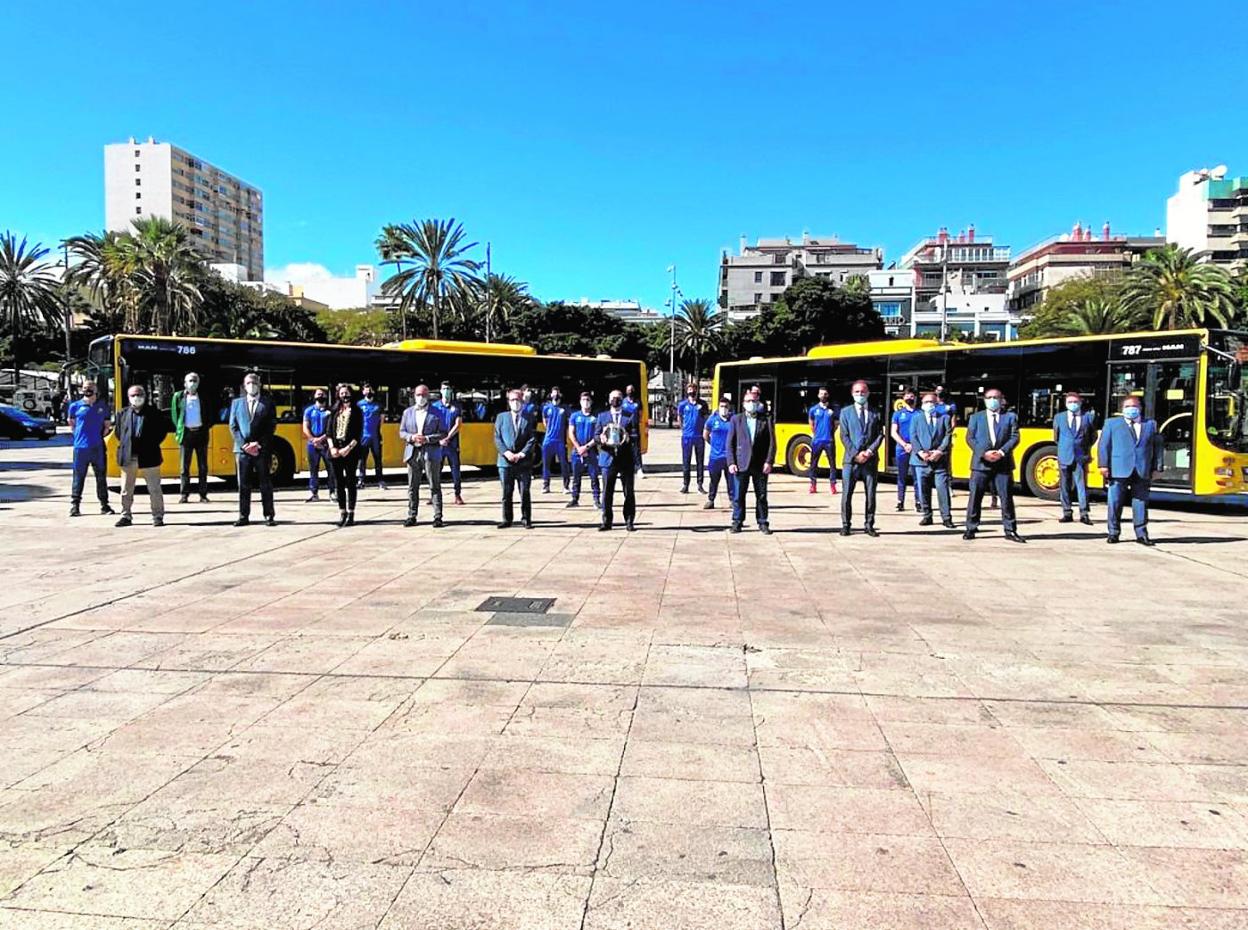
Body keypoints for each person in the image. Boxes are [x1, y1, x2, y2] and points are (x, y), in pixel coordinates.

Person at [1098, 395, 1164, 546]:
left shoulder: (1150, 425)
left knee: (1140, 502)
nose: (1131, 409)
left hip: (1142, 469)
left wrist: (1157, 467)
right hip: (1118, 469)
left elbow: (1158, 447)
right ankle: (1113, 532)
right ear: (1122, 409)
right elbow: (1104, 446)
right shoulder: (1111, 424)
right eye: (1127, 407)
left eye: (1134, 406)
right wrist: (1103, 465)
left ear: (1140, 408)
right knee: (1115, 502)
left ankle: (1141, 534)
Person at [963, 388, 1023, 543]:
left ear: (1001, 399)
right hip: (980, 464)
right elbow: (970, 438)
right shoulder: (976, 417)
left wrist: (1002, 452)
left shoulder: (1010, 417)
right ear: (984, 400)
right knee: (975, 497)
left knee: (1006, 498)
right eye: (989, 397)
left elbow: (1015, 437)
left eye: (995, 397)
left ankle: (1010, 530)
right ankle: (971, 527)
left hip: (1003, 464)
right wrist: (984, 453)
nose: (992, 400)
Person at [112, 384, 169, 527]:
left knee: (154, 488)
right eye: (133, 395)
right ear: (128, 397)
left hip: (149, 455)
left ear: (144, 396)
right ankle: (125, 515)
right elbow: (119, 433)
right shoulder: (122, 414)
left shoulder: (154, 413)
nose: (136, 398)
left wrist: (150, 443)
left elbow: (162, 432)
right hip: (128, 456)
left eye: (139, 395)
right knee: (126, 489)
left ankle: (158, 517)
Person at [228, 370, 277, 527]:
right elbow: (233, 426)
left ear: (259, 385)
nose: (252, 386)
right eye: (249, 383)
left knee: (265, 483)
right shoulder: (236, 403)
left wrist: (258, 444)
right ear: (244, 386)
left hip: (261, 449)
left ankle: (269, 515)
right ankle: (243, 515)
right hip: (242, 451)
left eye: (254, 383)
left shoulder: (267, 403)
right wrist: (244, 445)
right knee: (243, 484)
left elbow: (271, 426)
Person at [726, 388, 775, 534]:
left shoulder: (766, 419)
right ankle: (737, 521)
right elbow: (730, 443)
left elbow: (772, 442)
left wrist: (769, 461)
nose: (751, 403)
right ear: (743, 403)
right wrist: (731, 462)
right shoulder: (736, 419)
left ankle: (762, 522)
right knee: (738, 495)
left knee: (761, 495)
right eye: (748, 401)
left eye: (754, 401)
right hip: (741, 463)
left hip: (760, 464)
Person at [839, 380, 883, 537]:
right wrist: (855, 454)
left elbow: (880, 434)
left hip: (870, 461)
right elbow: (843, 436)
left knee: (871, 494)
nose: (860, 394)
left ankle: (869, 525)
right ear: (852, 394)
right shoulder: (845, 412)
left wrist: (869, 452)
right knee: (846, 494)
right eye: (857, 392)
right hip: (851, 461)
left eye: (863, 392)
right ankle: (846, 525)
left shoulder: (875, 412)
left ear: (868, 393)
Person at [400, 383, 446, 528]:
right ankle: (412, 515)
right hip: (413, 452)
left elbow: (443, 432)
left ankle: (438, 516)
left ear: (428, 396)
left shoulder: (437, 412)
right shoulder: (407, 412)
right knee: (413, 486)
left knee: (434, 485)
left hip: (430, 452)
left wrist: (427, 438)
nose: (421, 398)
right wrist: (411, 437)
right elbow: (402, 432)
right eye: (418, 395)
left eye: (424, 395)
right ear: (414, 396)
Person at [67, 381, 114, 518]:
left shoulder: (102, 407)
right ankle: (75, 506)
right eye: (85, 388)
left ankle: (104, 505)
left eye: (90, 388)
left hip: (97, 447)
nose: (87, 390)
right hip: (80, 449)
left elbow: (107, 426)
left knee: (101, 477)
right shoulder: (75, 406)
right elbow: (72, 424)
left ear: (96, 390)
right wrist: (78, 436)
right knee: (78, 477)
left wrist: (98, 436)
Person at [494, 388, 538, 528]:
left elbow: (532, 439)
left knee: (524, 492)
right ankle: (507, 519)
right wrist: (506, 452)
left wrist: (521, 454)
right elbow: (497, 437)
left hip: (523, 462)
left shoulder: (529, 418)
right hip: (505, 462)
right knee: (506, 492)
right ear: (508, 402)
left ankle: (526, 519)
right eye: (512, 400)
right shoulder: (501, 417)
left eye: (517, 400)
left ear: (522, 402)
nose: (515, 403)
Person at [911, 392, 955, 528]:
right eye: (926, 402)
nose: (929, 404)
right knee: (923, 489)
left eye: (932, 402)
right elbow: (913, 436)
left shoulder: (945, 418)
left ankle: (946, 518)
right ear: (922, 404)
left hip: (939, 460)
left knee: (942, 489)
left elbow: (948, 436)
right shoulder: (916, 418)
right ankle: (927, 515)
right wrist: (920, 452)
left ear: (936, 404)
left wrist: (939, 451)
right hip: (921, 461)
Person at [597, 389, 639, 531]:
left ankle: (629, 520)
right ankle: (607, 521)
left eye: (619, 398)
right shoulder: (602, 417)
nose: (616, 400)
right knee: (607, 492)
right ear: (609, 400)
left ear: (622, 400)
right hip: (608, 459)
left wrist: (629, 437)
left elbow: (636, 434)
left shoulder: (629, 416)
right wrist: (600, 439)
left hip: (625, 459)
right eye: (613, 398)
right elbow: (596, 435)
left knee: (628, 491)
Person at [1053, 391, 1098, 525]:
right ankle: (1067, 512)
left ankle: (1084, 513)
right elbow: (1056, 437)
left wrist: (1084, 448)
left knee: (1082, 486)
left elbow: (1093, 436)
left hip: (1080, 456)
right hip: (1064, 456)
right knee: (1064, 486)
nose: (1073, 404)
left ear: (1080, 403)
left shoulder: (1088, 417)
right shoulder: (1059, 417)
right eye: (1070, 402)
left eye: (1075, 402)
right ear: (1066, 404)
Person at [170, 372, 210, 504]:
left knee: (203, 466)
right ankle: (184, 494)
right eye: (190, 381)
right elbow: (175, 415)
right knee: (184, 467)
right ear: (185, 383)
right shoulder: (178, 396)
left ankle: (203, 494)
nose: (192, 383)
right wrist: (180, 429)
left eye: (195, 381)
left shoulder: (203, 396)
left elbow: (209, 414)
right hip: (186, 434)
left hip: (201, 434)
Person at [328, 382, 363, 526]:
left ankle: (351, 513)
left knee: (350, 482)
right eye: (342, 393)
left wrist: (348, 448)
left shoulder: (356, 411)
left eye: (346, 393)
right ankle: (342, 512)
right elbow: (329, 431)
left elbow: (358, 433)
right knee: (339, 483)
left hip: (350, 450)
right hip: (335, 450)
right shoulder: (335, 410)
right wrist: (332, 448)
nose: (344, 395)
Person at [567, 391, 601, 509]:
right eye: (583, 400)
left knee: (594, 476)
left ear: (591, 402)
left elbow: (598, 436)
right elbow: (571, 433)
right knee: (576, 476)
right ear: (580, 402)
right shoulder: (574, 416)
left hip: (591, 451)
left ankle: (596, 499)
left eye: (587, 400)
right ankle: (574, 498)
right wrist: (578, 448)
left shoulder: (596, 417)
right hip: (577, 452)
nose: (585, 402)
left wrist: (586, 447)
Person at [433, 381, 465, 505]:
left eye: (448, 389)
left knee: (455, 470)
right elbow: (432, 424)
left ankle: (457, 495)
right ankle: (434, 494)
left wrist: (448, 437)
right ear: (440, 390)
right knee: (435, 470)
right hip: (438, 444)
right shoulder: (435, 407)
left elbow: (458, 424)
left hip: (452, 444)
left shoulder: (456, 407)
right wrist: (439, 439)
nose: (446, 391)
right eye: (444, 388)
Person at [890, 388, 921, 512]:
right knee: (901, 476)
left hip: (916, 449)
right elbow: (893, 432)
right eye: (907, 395)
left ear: (915, 398)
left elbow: (922, 432)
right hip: (901, 449)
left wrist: (914, 446)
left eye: (912, 396)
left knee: (917, 477)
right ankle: (900, 501)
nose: (909, 398)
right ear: (903, 398)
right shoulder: (898, 414)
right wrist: (904, 444)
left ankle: (918, 502)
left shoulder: (920, 413)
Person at [301, 389, 335, 502]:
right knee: (313, 469)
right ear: (314, 396)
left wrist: (321, 439)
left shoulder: (330, 411)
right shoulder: (309, 411)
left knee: (331, 469)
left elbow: (332, 428)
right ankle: (314, 493)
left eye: (322, 394)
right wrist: (313, 439)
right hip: (312, 444)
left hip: (327, 444)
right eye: (318, 394)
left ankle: (332, 492)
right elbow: (305, 427)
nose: (320, 396)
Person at [703, 396, 736, 510]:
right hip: (715, 457)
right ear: (718, 407)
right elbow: (705, 435)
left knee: (731, 481)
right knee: (714, 480)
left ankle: (732, 500)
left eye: (726, 406)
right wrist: (713, 444)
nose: (724, 409)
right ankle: (711, 500)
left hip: (730, 457)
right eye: (722, 406)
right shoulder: (712, 419)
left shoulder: (734, 419)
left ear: (729, 407)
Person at [677, 384, 709, 494]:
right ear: (687, 391)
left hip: (699, 437)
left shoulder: (703, 404)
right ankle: (686, 484)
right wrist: (683, 428)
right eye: (690, 390)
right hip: (687, 437)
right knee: (686, 461)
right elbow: (679, 417)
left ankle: (700, 485)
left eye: (694, 390)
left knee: (700, 462)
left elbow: (706, 418)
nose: (692, 392)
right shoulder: (682, 404)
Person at [807, 388, 838, 496]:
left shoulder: (833, 410)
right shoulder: (813, 409)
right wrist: (816, 433)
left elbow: (836, 424)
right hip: (817, 441)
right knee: (813, 464)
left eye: (825, 394)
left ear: (828, 395)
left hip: (829, 440)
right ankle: (813, 484)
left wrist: (830, 433)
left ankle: (833, 485)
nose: (823, 396)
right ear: (818, 395)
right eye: (821, 394)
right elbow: (811, 422)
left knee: (832, 464)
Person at [541, 387, 571, 494]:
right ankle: (546, 485)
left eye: (557, 393)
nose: (555, 395)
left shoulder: (565, 408)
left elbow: (569, 422)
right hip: (548, 440)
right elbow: (544, 419)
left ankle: (566, 486)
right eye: (554, 393)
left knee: (564, 464)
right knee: (546, 464)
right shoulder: (546, 407)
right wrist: (548, 427)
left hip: (560, 441)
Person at [356, 382, 385, 490]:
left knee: (378, 459)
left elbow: (381, 420)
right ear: (363, 392)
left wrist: (377, 431)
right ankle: (361, 480)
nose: (368, 392)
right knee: (362, 460)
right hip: (363, 436)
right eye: (366, 390)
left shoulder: (378, 405)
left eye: (370, 389)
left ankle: (380, 481)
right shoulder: (359, 404)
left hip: (375, 436)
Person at [623, 384, 644, 478]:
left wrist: (636, 421)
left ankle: (639, 468)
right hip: (624, 429)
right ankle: (623, 469)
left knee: (636, 449)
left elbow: (640, 414)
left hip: (635, 428)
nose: (630, 391)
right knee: (623, 449)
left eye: (631, 389)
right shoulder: (623, 401)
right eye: (628, 390)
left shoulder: (638, 402)